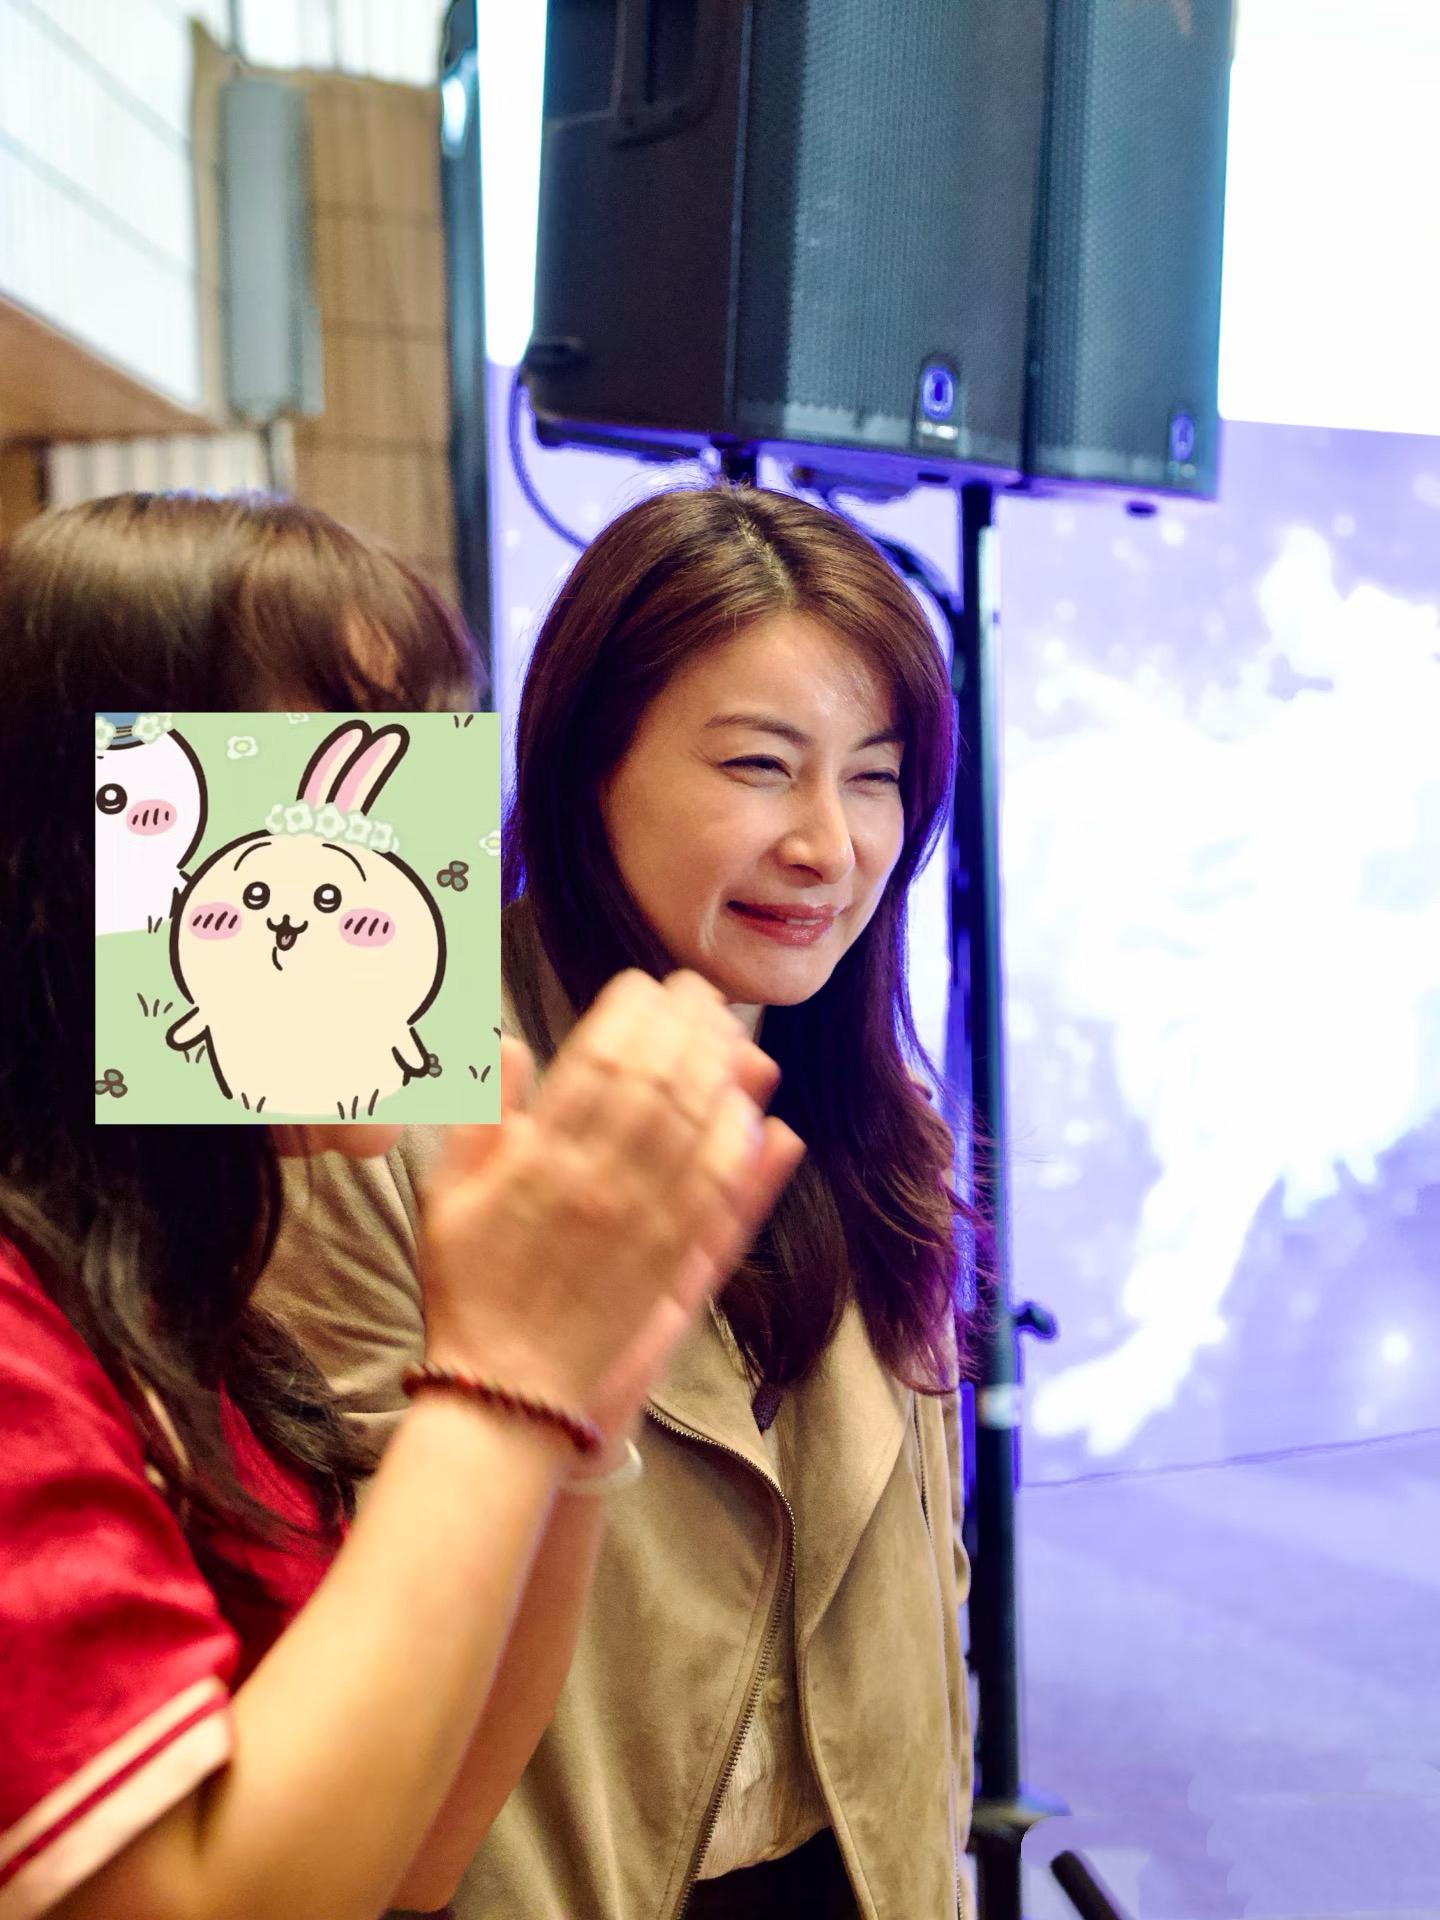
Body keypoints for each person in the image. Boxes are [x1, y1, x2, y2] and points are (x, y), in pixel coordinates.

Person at [0, 492, 802, 1920]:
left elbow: (418, 1851)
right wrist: (503, 1375)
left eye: (423, 769)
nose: (408, 878)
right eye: (315, 788)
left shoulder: (177, 1308)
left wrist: (576, 1397)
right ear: (80, 844)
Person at [264, 483, 978, 1919]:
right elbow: (347, 1638)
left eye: (877, 777)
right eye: (761, 766)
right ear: (589, 763)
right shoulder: (374, 1099)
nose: (830, 844)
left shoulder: (868, 1102)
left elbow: (926, 1597)